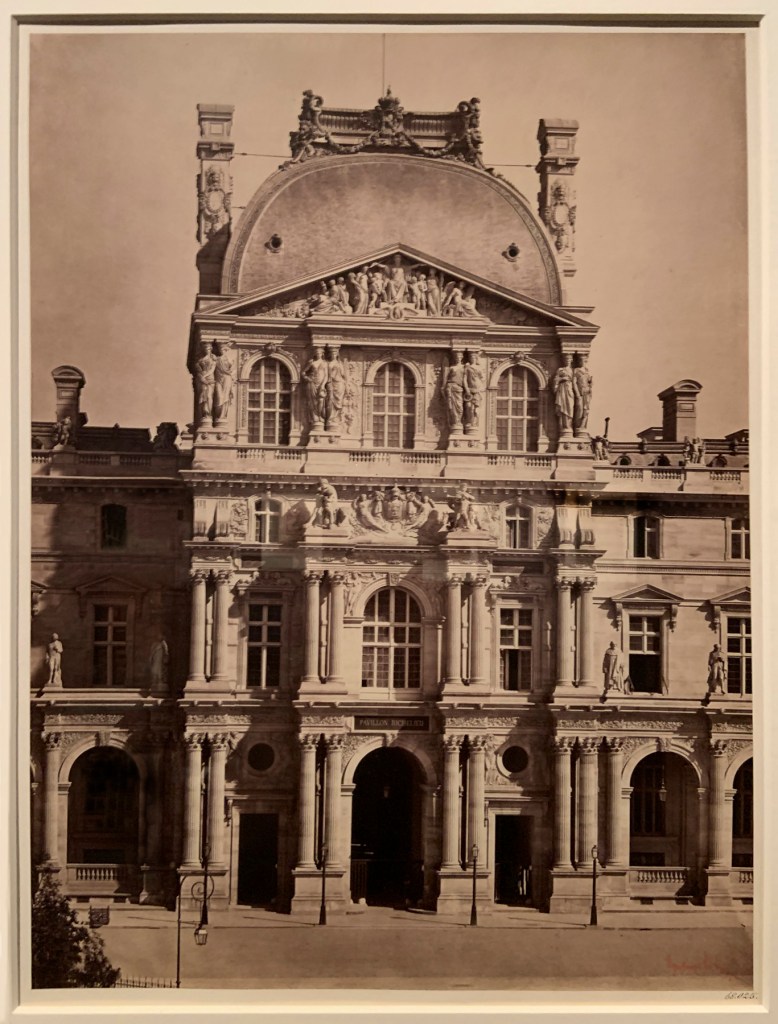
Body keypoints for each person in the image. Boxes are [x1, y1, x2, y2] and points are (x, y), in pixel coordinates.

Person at [301, 345, 329, 427]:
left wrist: (323, 385)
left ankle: (321, 417)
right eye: (316, 353)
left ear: (322, 354)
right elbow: (303, 372)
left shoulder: (325, 363)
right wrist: (307, 378)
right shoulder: (311, 362)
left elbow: (326, 376)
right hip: (312, 383)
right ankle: (315, 418)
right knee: (312, 402)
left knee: (321, 401)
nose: (318, 354)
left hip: (321, 384)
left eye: (319, 353)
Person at [442, 351, 467, 431]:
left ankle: (458, 422)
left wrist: (467, 390)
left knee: (460, 407)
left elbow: (466, 380)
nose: (458, 359)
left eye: (459, 357)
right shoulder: (451, 367)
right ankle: (455, 423)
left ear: (462, 357)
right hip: (451, 387)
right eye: (456, 357)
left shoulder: (464, 367)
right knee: (451, 407)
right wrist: (443, 386)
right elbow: (445, 377)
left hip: (460, 388)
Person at [193, 342, 217, 424]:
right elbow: (198, 371)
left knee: (209, 396)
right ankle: (205, 414)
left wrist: (204, 376)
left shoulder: (213, 358)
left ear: (211, 349)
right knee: (203, 397)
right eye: (206, 348)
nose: (207, 350)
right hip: (202, 380)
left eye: (208, 348)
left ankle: (209, 413)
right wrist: (201, 377)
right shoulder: (200, 360)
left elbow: (212, 369)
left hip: (210, 379)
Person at [552, 354, 575, 435]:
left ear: (571, 360)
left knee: (570, 408)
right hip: (562, 389)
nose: (567, 361)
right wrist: (562, 379)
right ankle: (564, 427)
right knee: (563, 408)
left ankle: (569, 426)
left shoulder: (573, 370)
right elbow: (555, 380)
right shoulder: (560, 370)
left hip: (570, 389)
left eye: (569, 360)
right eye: (566, 360)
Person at [212, 343, 234, 424]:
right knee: (219, 397)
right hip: (218, 380)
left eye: (224, 349)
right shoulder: (216, 359)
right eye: (220, 349)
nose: (222, 351)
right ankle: (218, 416)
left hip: (227, 378)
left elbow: (231, 369)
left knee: (225, 397)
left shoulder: (229, 359)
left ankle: (222, 416)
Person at [325, 349, 347, 429]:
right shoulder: (327, 363)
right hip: (330, 383)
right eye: (332, 353)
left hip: (339, 383)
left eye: (335, 353)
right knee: (330, 401)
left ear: (337, 354)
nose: (333, 355)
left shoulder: (340, 363)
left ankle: (335, 419)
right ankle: (330, 419)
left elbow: (344, 375)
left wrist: (346, 385)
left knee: (339, 402)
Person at [463, 353, 485, 431]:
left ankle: (475, 423)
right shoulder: (467, 368)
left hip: (477, 390)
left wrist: (481, 388)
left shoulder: (479, 368)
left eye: (474, 358)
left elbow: (482, 378)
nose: (473, 359)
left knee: (476, 409)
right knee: (469, 407)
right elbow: (465, 379)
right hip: (469, 390)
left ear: (476, 359)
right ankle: (469, 422)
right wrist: (466, 389)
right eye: (471, 357)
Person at [573, 353, 593, 434]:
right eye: (581, 360)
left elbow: (589, 382)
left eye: (584, 360)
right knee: (579, 408)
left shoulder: (587, 371)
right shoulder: (576, 370)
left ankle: (582, 426)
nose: (582, 362)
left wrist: (591, 383)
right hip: (580, 393)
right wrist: (577, 393)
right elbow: (574, 382)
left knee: (586, 410)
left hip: (587, 392)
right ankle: (577, 426)